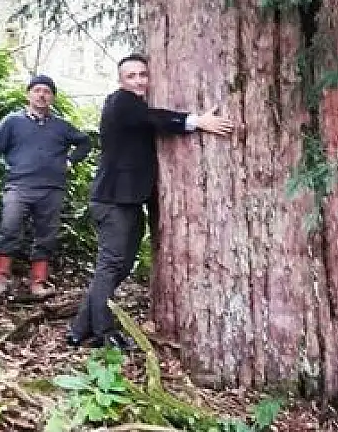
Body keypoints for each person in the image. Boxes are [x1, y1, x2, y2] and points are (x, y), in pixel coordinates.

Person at [67, 54, 234, 350]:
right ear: (121, 80)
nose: (139, 81)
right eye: (131, 76)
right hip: (112, 200)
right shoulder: (121, 102)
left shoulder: (133, 105)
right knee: (111, 264)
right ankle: (105, 334)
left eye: (143, 74)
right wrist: (196, 121)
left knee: (121, 266)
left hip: (129, 201)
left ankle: (79, 328)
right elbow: (153, 118)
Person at [0, 75, 92, 299]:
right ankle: (0, 280)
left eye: (47, 91)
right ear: (28, 94)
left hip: (52, 189)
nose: (42, 95)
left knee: (46, 234)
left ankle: (38, 282)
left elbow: (85, 142)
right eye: (37, 90)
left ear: (52, 98)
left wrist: (70, 161)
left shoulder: (61, 127)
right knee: (9, 227)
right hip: (19, 186)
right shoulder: (12, 122)